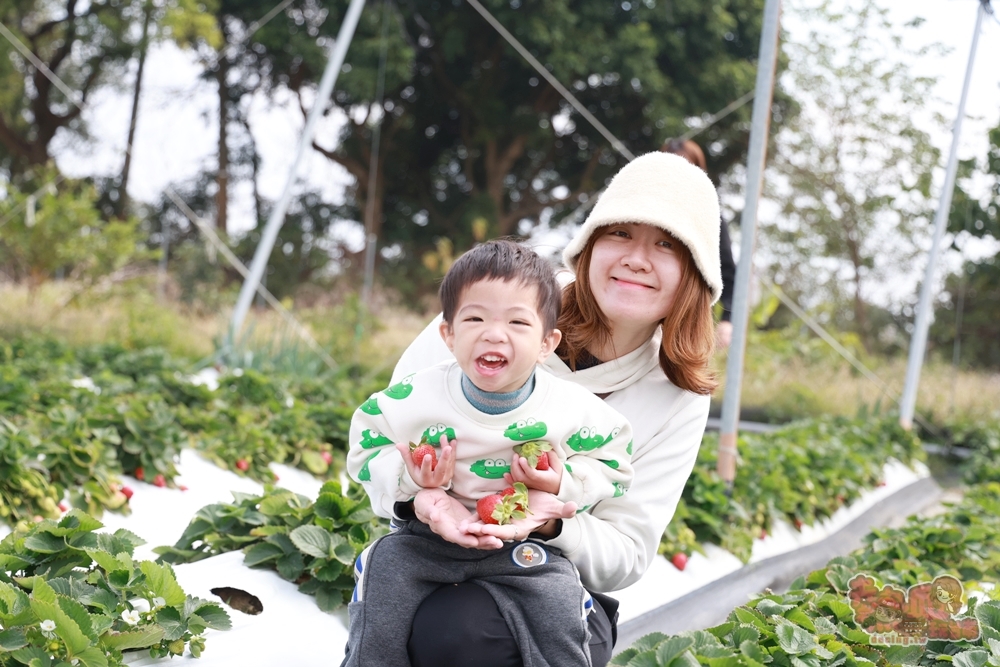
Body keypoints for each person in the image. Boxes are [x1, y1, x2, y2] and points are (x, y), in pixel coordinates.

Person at [390, 151, 723, 667]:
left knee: (465, 633)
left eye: (666, 244)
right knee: (417, 623)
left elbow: (627, 551)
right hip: (432, 552)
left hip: (557, 583)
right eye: (620, 234)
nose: (637, 257)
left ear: (695, 272)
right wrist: (428, 500)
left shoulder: (677, 392)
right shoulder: (494, 310)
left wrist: (549, 523)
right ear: (587, 245)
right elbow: (384, 446)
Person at [343, 239, 634, 667]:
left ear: (546, 343)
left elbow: (614, 460)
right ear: (448, 333)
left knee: (558, 604)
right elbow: (366, 444)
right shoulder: (413, 397)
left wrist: (560, 484)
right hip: (430, 538)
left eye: (517, 322)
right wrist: (417, 486)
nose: (493, 333)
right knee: (384, 570)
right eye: (475, 317)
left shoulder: (572, 409)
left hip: (525, 542)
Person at [661, 138, 737, 348]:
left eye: (687, 168)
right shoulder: (641, 210)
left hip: (688, 320)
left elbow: (729, 273)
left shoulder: (711, 218)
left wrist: (727, 320)